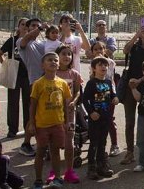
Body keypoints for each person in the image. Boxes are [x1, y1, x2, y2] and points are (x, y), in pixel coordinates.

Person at [18, 19, 63, 157]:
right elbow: (26, 39)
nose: (36, 28)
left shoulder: (44, 43)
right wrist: (40, 28)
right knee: (35, 116)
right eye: (33, 26)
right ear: (26, 28)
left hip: (50, 82)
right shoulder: (22, 42)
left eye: (38, 26)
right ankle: (26, 143)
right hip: (35, 82)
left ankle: (45, 144)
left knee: (48, 113)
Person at [27, 52, 71, 189]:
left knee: (56, 152)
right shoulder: (38, 84)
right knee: (40, 151)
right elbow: (33, 105)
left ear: (59, 64)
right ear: (42, 65)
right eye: (49, 60)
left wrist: (66, 122)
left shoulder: (62, 83)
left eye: (55, 60)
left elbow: (65, 104)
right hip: (42, 125)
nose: (53, 62)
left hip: (58, 124)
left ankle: (57, 178)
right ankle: (38, 180)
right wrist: (32, 123)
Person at [119, 20, 144, 165]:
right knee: (129, 122)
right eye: (143, 29)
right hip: (130, 86)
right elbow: (125, 50)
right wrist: (136, 35)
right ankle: (130, 152)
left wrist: (140, 80)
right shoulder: (134, 47)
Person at [82, 56, 117, 180]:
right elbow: (84, 99)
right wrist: (91, 112)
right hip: (95, 119)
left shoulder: (108, 82)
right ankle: (91, 167)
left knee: (103, 142)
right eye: (100, 65)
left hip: (106, 118)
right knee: (94, 143)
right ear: (94, 69)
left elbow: (112, 95)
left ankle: (101, 166)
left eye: (105, 65)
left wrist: (115, 98)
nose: (103, 67)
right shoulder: (91, 83)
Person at [0, 18, 31, 139]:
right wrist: (6, 65)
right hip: (14, 74)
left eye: (28, 25)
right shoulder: (12, 40)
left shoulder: (32, 41)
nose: (25, 27)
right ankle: (12, 129)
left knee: (29, 103)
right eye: (23, 24)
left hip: (28, 75)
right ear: (18, 26)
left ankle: (28, 128)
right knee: (13, 103)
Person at [52, 45, 82, 184]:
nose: (67, 56)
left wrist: (74, 102)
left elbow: (77, 92)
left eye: (69, 54)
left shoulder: (74, 74)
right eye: (63, 54)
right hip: (53, 113)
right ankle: (54, 171)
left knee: (69, 142)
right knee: (55, 143)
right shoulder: (51, 73)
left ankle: (69, 171)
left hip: (70, 113)